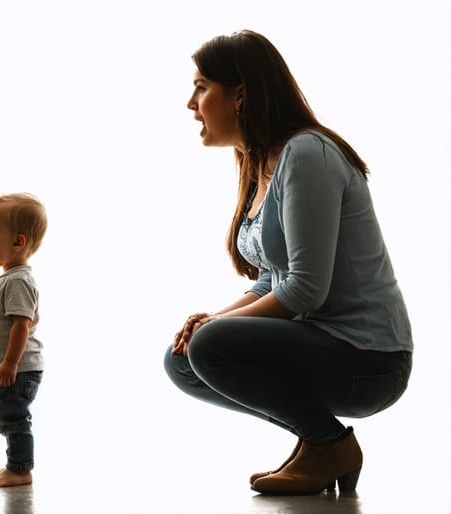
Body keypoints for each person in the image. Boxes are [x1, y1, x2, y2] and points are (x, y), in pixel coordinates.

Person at [163, 30, 413, 496]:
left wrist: (214, 329)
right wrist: (211, 320)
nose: (190, 103)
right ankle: (319, 441)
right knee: (182, 360)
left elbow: (304, 290)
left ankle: (329, 443)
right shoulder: (258, 162)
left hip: (370, 360)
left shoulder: (306, 153)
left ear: (240, 94)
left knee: (208, 345)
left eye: (201, 87)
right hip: (321, 346)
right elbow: (270, 282)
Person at [0, 193, 48, 488]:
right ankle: (15, 465)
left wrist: (10, 363)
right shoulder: (9, 278)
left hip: (18, 368)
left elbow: (22, 325)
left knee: (14, 418)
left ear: (18, 243)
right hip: (10, 368)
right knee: (7, 416)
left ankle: (20, 470)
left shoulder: (18, 281)